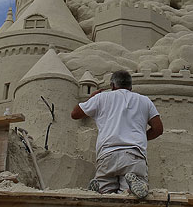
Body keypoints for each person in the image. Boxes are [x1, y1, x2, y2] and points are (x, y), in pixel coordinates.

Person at [70, 70, 163, 198]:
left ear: (112, 86)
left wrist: (91, 97)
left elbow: (75, 114)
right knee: (131, 199)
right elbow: (158, 129)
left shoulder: (101, 98)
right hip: (134, 154)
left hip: (107, 155)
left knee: (106, 197)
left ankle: (101, 190)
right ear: (131, 87)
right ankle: (132, 188)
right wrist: (140, 136)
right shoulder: (144, 100)